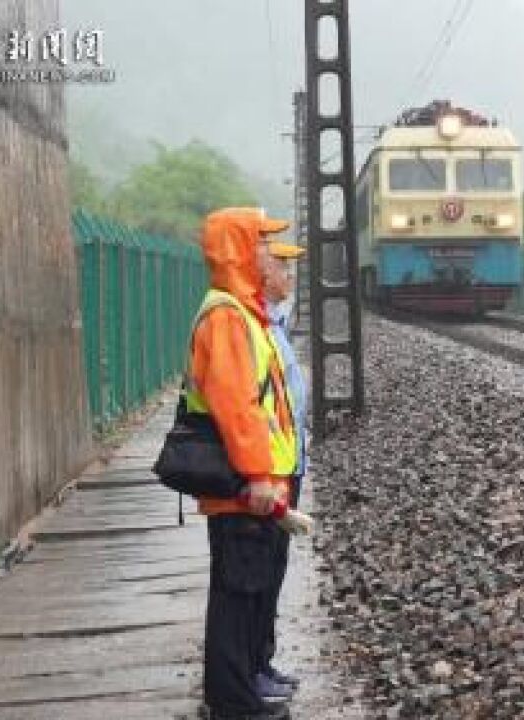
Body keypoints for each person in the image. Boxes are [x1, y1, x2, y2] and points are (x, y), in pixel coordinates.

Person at [188, 207, 303, 720]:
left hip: (255, 481)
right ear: (238, 249)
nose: (267, 252)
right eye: (259, 242)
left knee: (248, 585)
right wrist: (259, 476)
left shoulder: (241, 313)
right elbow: (239, 407)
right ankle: (234, 701)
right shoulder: (228, 317)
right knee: (238, 591)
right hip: (243, 484)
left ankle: (240, 690)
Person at [257, 240, 310, 695]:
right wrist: (259, 477)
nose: (291, 274)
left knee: (269, 576)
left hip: (279, 471)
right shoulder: (247, 325)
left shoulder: (272, 324)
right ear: (260, 272)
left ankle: (261, 664)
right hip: (262, 479)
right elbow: (246, 410)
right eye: (283, 265)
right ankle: (246, 680)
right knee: (249, 584)